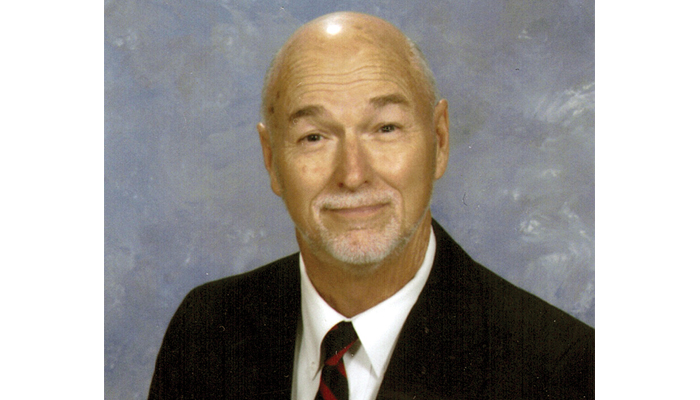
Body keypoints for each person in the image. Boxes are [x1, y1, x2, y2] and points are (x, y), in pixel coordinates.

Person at [148, 11, 594, 400]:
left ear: (439, 141)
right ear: (271, 159)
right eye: (314, 137)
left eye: (385, 129)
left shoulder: (559, 369)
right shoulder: (205, 332)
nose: (353, 173)